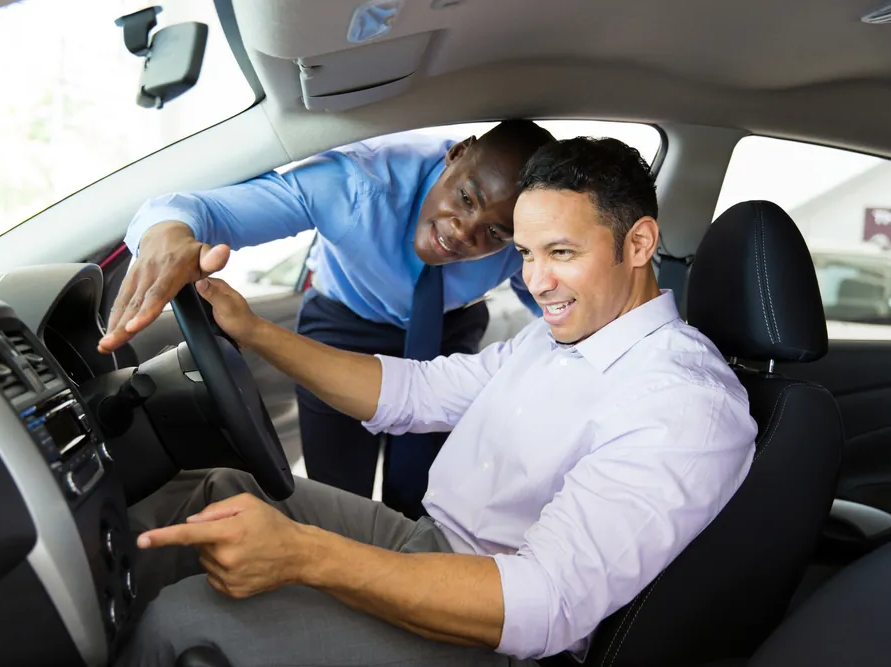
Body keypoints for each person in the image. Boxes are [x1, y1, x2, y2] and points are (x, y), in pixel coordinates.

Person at [117, 137, 759, 667]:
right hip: (427, 539)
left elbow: (543, 605)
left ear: (640, 245)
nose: (536, 283)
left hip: (491, 633)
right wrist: (255, 332)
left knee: (185, 622)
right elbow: (412, 393)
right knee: (210, 492)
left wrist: (307, 556)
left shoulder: (684, 405)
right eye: (528, 255)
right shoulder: (560, 334)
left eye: (561, 253)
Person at [98, 120, 555, 519]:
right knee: (338, 496)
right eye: (466, 198)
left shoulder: (527, 237)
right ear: (456, 154)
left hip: (446, 332)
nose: (463, 232)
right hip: (343, 325)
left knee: (423, 497)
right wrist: (168, 233)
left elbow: (555, 303)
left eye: (495, 232)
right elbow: (197, 211)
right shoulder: (355, 182)